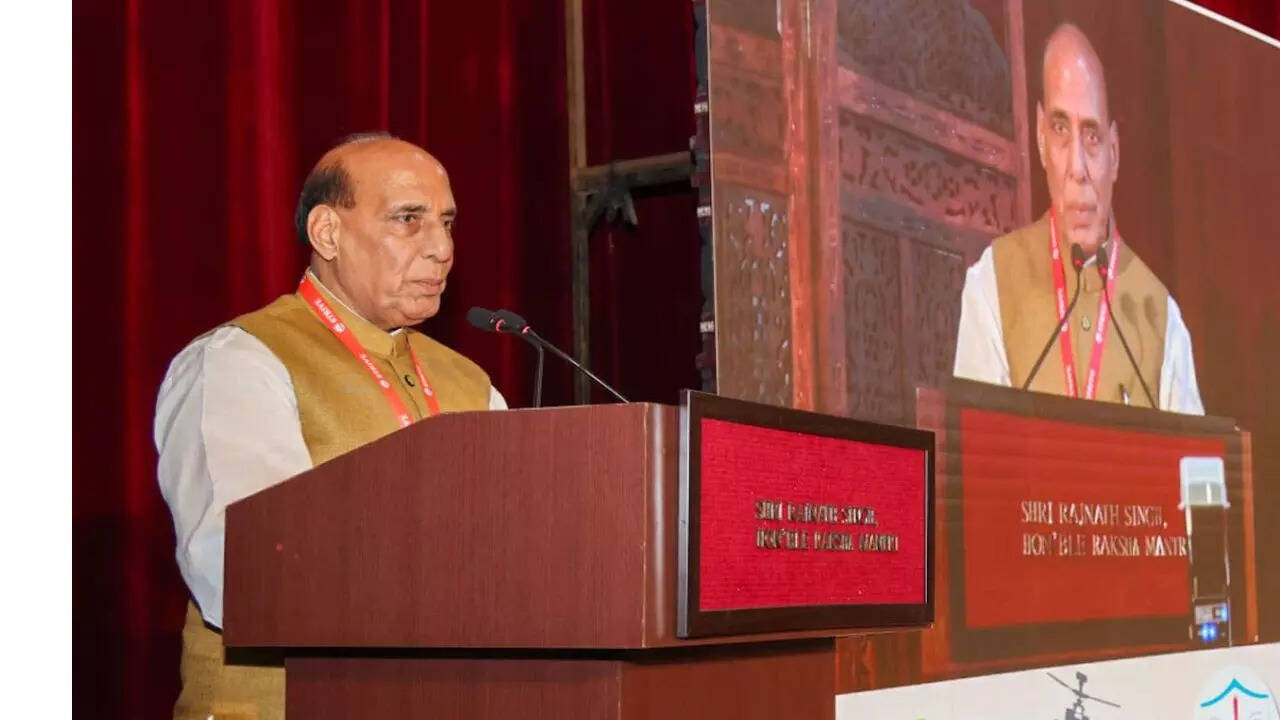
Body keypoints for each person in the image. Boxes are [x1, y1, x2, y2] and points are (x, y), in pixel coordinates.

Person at [154, 133, 506, 719]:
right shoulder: (242, 360)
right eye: (408, 220)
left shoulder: (468, 380)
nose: (441, 247)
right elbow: (241, 566)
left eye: (447, 222)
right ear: (327, 233)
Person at [953, 23, 1203, 414]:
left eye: (1091, 136)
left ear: (1114, 154)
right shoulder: (993, 284)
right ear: (1040, 139)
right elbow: (973, 444)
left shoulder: (1159, 315)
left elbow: (1196, 452)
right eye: (1060, 130)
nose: (1077, 168)